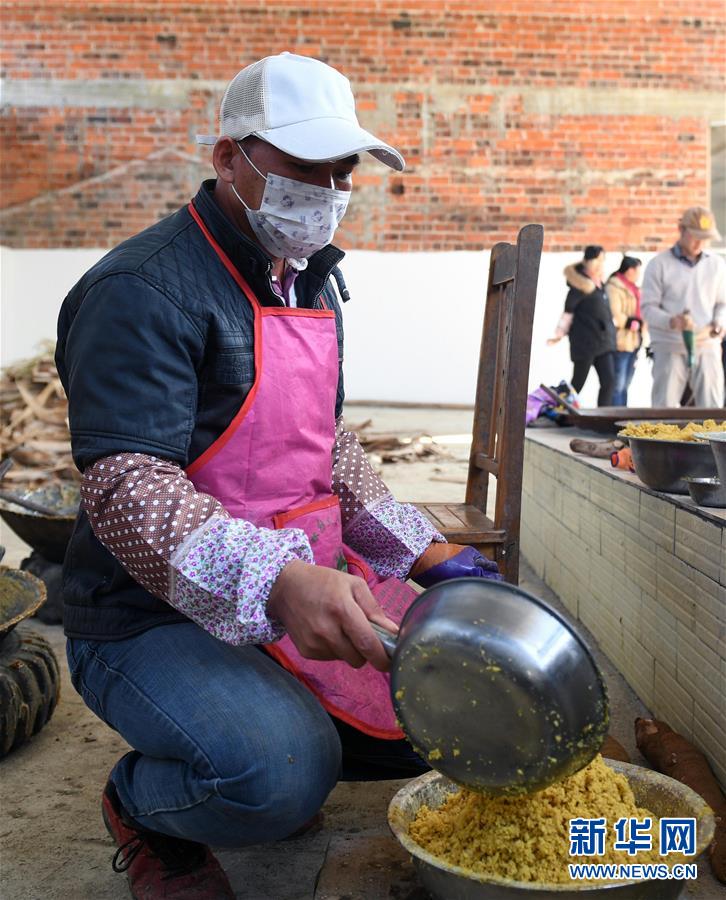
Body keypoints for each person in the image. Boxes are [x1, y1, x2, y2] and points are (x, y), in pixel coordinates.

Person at [55, 52, 501, 900]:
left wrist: (424, 553)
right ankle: (145, 806)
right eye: (304, 169)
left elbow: (328, 447)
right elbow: (124, 486)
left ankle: (275, 729)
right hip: (147, 618)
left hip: (287, 584)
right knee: (278, 772)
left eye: (341, 173)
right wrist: (276, 579)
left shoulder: (308, 282)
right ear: (229, 158)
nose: (327, 191)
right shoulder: (142, 290)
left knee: (443, 714)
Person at [641, 206, 726, 408]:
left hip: (707, 343)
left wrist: (719, 323)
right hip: (669, 343)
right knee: (665, 405)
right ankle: (661, 440)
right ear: (681, 230)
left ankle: (712, 440)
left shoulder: (716, 265)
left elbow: (722, 303)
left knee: (711, 404)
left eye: (704, 238)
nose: (700, 243)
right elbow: (648, 308)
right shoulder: (659, 264)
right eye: (695, 236)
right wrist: (671, 321)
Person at [548, 245, 617, 406]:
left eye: (602, 260)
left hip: (603, 341)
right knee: (577, 384)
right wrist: (558, 334)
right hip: (585, 343)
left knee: (609, 382)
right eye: (596, 260)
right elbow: (568, 313)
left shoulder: (601, 285)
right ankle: (558, 411)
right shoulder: (579, 286)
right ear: (586, 261)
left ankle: (603, 417)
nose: (600, 264)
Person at [605, 255, 644, 406]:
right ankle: (614, 418)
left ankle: (623, 416)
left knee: (626, 385)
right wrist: (630, 323)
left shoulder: (634, 288)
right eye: (637, 271)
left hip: (634, 342)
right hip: (620, 342)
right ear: (629, 270)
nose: (639, 275)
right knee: (617, 384)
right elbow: (614, 313)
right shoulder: (614, 287)